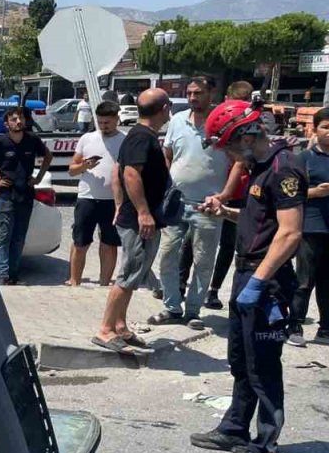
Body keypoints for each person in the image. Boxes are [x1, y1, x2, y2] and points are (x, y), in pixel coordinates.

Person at [190, 99, 306, 453]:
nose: (225, 153)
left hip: (266, 280)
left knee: (264, 367)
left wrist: (258, 281)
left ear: (244, 135)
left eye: (226, 145)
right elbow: (264, 220)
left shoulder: (283, 168)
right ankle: (235, 428)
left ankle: (267, 450)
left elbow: (289, 233)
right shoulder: (258, 168)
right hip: (248, 275)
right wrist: (224, 212)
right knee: (241, 361)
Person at [92, 88, 174, 352]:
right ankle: (105, 329)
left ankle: (120, 326)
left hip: (140, 218)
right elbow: (129, 174)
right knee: (128, 275)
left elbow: (117, 171)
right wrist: (143, 212)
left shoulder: (141, 136)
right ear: (164, 109)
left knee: (134, 276)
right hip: (139, 222)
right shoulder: (141, 138)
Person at [150, 77, 229, 330]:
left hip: (208, 205)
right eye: (190, 93)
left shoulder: (223, 123)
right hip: (176, 202)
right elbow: (169, 155)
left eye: (199, 93)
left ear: (212, 93)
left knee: (204, 261)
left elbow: (238, 160)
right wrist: (165, 189)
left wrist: (224, 196)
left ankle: (193, 311)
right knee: (167, 256)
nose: (194, 97)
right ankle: (172, 307)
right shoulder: (177, 120)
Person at [0, 107, 53, 285]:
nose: (19, 122)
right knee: (4, 237)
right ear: (6, 124)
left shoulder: (32, 140)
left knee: (19, 237)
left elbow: (48, 156)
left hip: (26, 194)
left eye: (21, 118)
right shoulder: (0, 143)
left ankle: (14, 275)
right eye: (14, 119)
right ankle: (4, 275)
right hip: (6, 195)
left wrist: (39, 177)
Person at [203, 80, 257, 311]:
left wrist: (224, 196)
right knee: (197, 241)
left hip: (234, 194)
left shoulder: (248, 126)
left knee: (227, 245)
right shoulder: (220, 121)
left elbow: (239, 163)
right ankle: (185, 284)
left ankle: (213, 290)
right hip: (214, 190)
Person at [66, 101, 124, 286]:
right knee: (80, 241)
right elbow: (72, 170)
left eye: (107, 122)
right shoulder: (87, 138)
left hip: (113, 200)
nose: (103, 126)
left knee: (109, 242)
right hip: (87, 197)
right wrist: (84, 165)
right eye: (100, 122)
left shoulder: (125, 140)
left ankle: (104, 283)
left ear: (117, 119)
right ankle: (74, 281)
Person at [291, 106, 329, 344]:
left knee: (327, 283)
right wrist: (314, 192)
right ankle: (294, 326)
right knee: (304, 281)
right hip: (310, 227)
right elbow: (290, 193)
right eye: (326, 127)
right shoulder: (304, 158)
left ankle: (325, 329)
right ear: (315, 130)